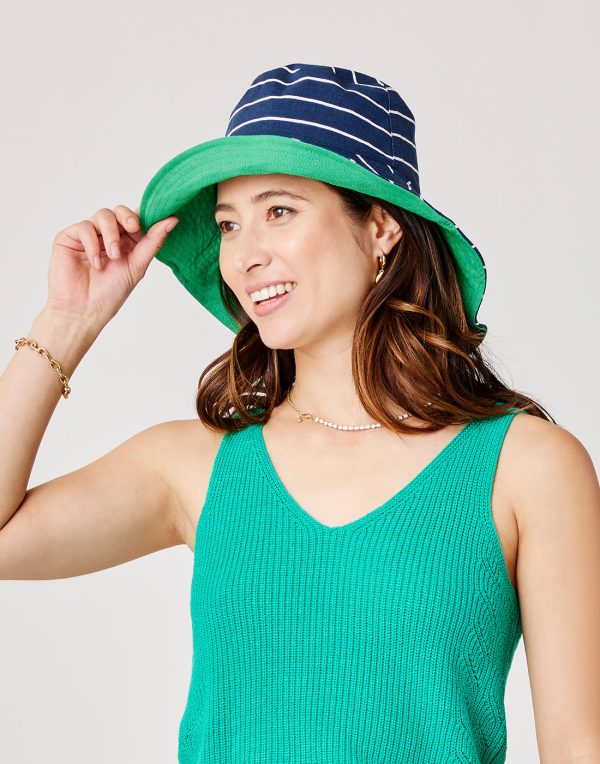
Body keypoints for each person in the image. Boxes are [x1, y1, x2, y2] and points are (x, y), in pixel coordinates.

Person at [1, 63, 598, 763]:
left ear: (381, 226)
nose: (245, 255)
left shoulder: (526, 467)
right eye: (228, 225)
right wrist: (68, 320)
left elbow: (577, 747)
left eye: (279, 211)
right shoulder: (193, 465)